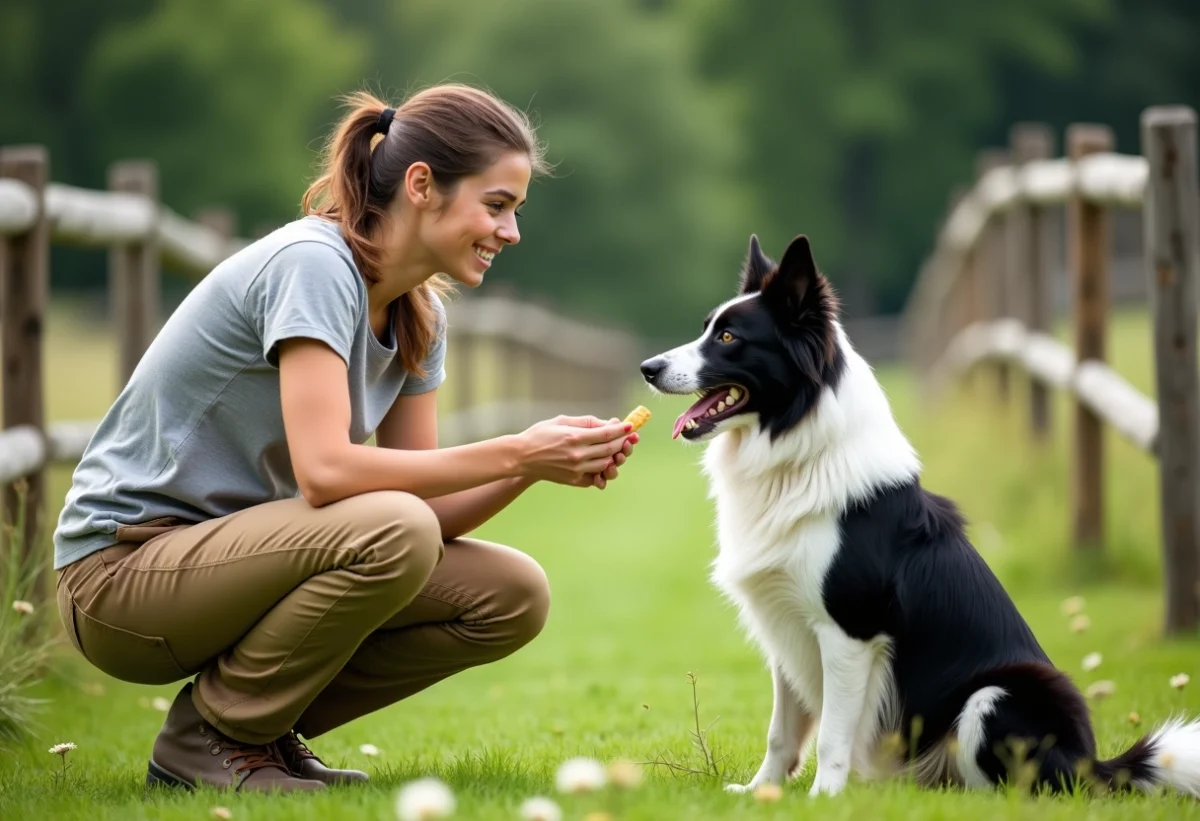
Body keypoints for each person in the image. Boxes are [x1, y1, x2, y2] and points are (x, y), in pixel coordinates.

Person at [52, 84, 639, 794]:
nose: (510, 232)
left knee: (511, 594)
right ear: (421, 185)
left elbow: (431, 509)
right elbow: (327, 472)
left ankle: (260, 728)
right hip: (121, 576)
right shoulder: (315, 265)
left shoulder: (420, 312)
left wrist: (537, 465)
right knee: (393, 526)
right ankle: (209, 739)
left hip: (235, 561)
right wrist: (517, 448)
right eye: (497, 205)